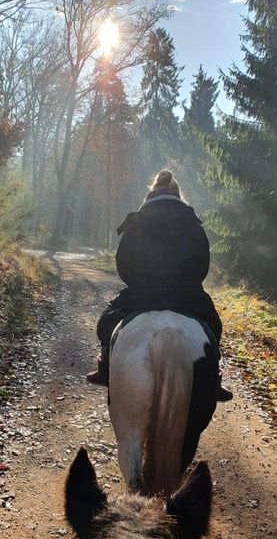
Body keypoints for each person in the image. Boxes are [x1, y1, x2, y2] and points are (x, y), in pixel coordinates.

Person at [86, 169, 233, 402]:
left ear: (152, 193)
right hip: (186, 296)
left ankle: (105, 369)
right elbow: (202, 265)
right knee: (213, 326)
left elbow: (123, 263)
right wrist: (186, 284)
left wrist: (139, 282)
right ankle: (213, 379)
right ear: (177, 194)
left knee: (107, 321)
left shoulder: (136, 222)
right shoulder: (193, 224)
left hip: (142, 294)